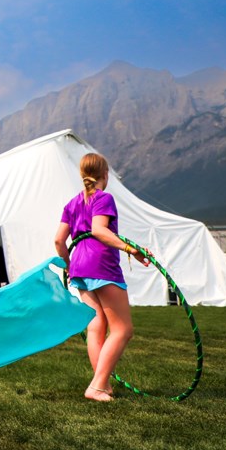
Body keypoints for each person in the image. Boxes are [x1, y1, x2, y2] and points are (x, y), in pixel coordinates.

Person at [54, 153, 151, 402]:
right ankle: (97, 386)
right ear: (105, 176)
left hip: (79, 268)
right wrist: (132, 250)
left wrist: (68, 265)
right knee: (123, 329)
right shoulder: (104, 198)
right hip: (102, 267)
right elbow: (99, 230)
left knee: (97, 325)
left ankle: (103, 385)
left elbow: (58, 240)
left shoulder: (72, 203)